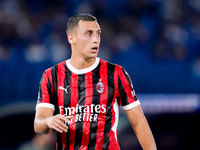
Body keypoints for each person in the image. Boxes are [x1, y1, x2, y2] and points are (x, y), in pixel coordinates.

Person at [34, 13, 157, 150]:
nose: (96, 39)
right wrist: (48, 120)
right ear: (71, 38)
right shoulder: (51, 75)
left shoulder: (116, 73)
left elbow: (138, 121)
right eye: (89, 34)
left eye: (98, 34)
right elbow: (39, 124)